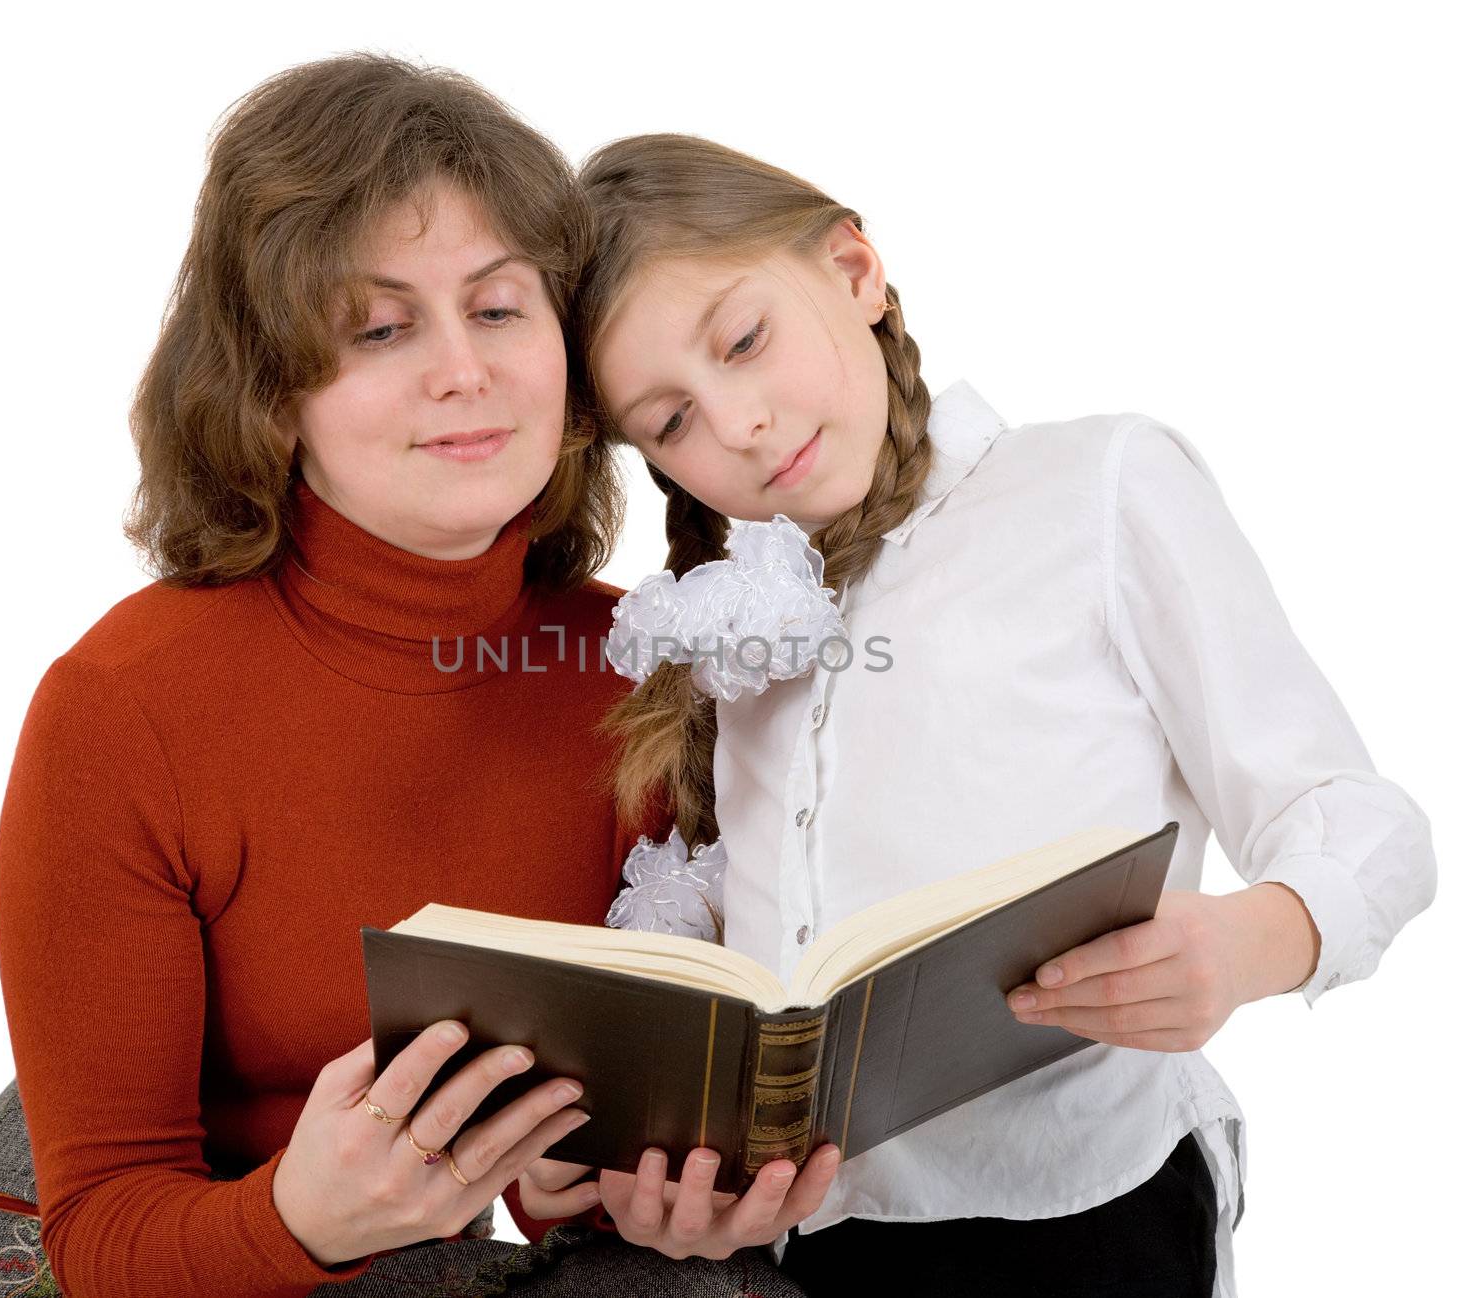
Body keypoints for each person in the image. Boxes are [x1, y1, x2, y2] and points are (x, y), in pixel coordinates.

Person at [0, 63, 820, 1298]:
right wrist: (300, 1216)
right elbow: (98, 1234)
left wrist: (609, 1185)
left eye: (496, 310)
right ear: (270, 391)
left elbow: (566, 1148)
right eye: (378, 328)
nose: (460, 372)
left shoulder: (636, 664)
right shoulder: (122, 705)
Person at [544, 132, 1438, 1297]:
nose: (740, 424)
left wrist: (1248, 940)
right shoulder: (735, 634)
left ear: (854, 270)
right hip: (811, 1240)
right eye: (671, 423)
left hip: (1084, 1202)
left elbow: (1358, 813)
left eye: (746, 340)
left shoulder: (1093, 489)